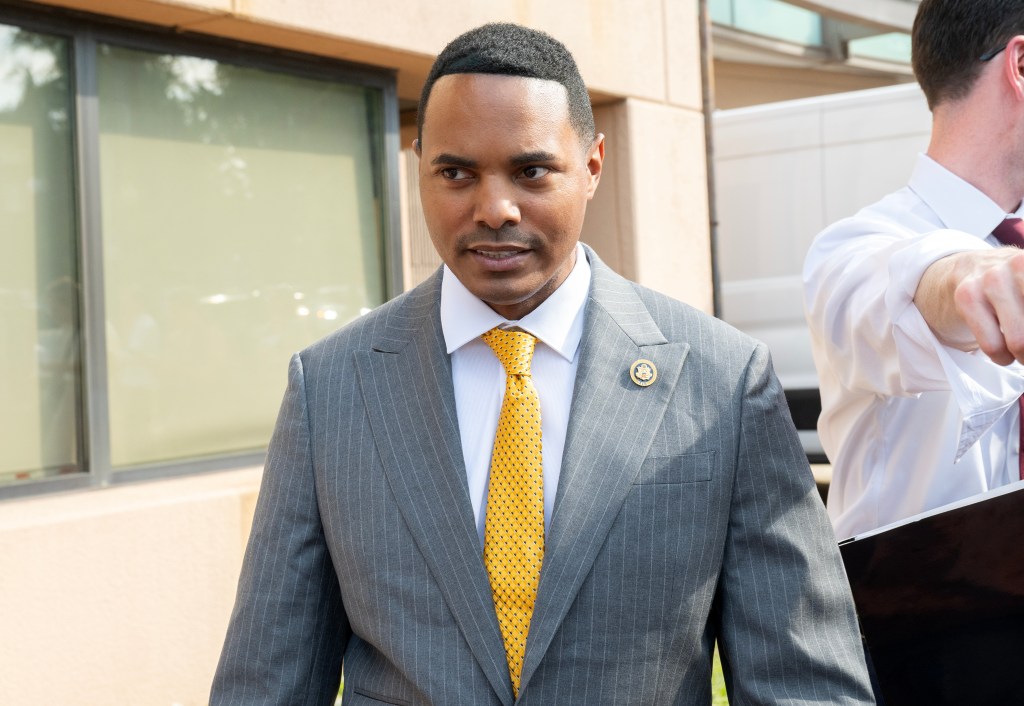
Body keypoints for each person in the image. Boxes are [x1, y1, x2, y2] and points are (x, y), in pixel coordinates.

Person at [211, 22, 872, 705]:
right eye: (455, 173)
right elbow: (268, 680)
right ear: (420, 170)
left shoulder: (724, 382)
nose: (494, 209)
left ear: (591, 166)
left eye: (530, 171)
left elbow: (804, 684)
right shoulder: (332, 388)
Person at [804, 0, 1024, 540]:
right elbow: (914, 282)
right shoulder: (850, 252)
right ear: (1020, 66)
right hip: (919, 619)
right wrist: (975, 280)